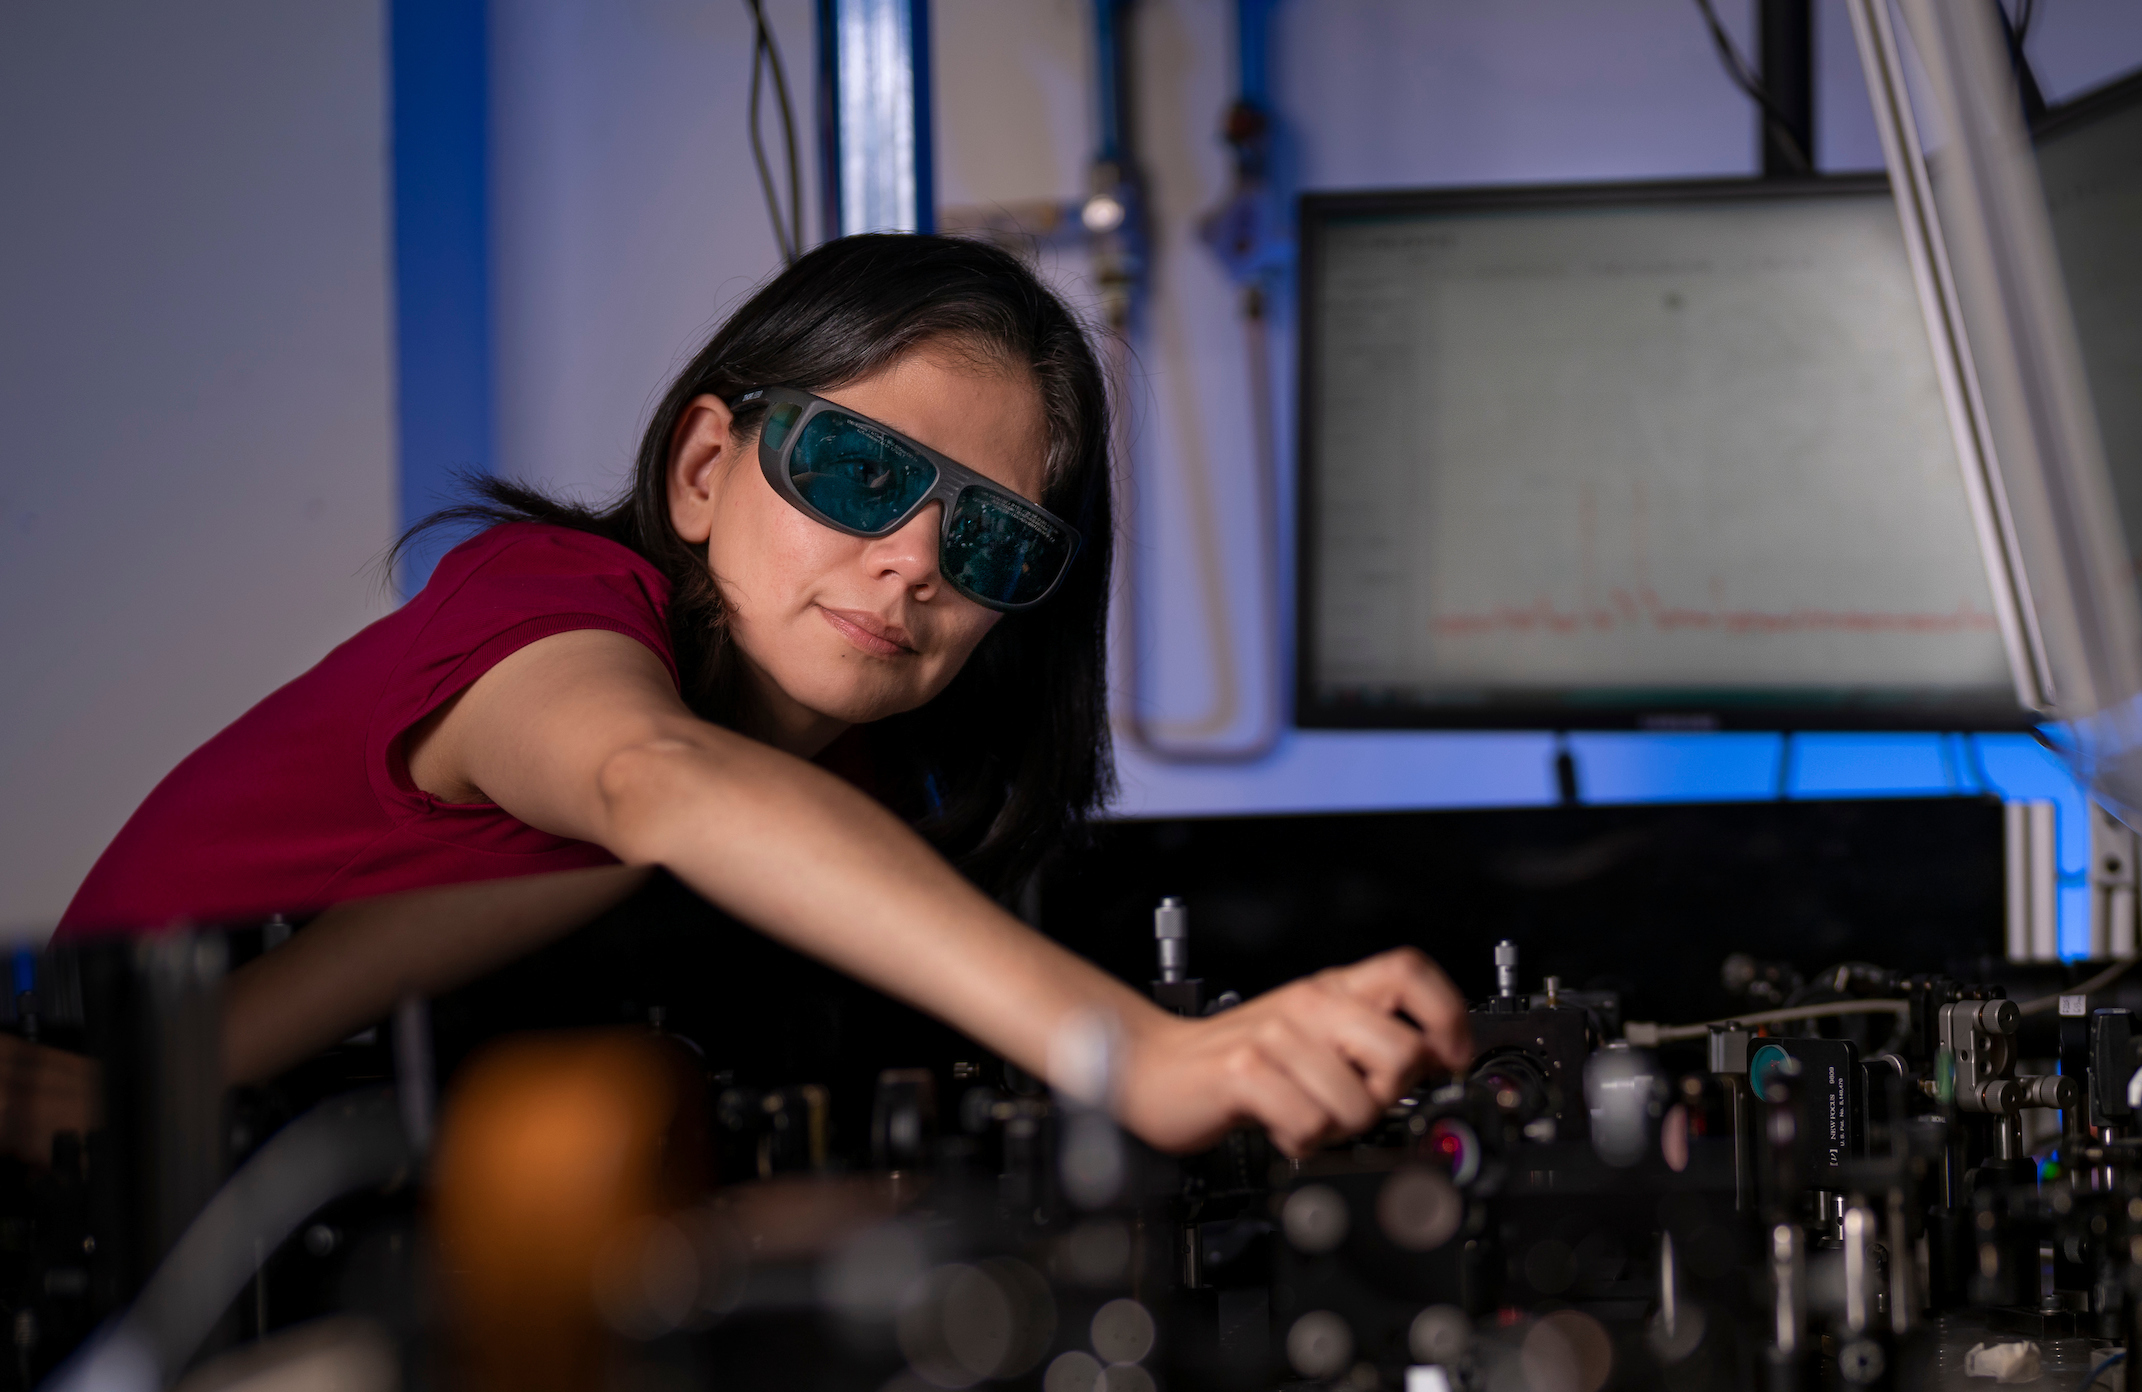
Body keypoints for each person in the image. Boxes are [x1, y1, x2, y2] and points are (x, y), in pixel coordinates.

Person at [40, 234, 1469, 1161]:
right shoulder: (549, 607)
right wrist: (1138, 1054)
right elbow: (649, 784)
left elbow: (436, 927)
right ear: (707, 468)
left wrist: (143, 1097)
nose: (910, 560)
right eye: (858, 474)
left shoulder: (801, 796)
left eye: (985, 541)